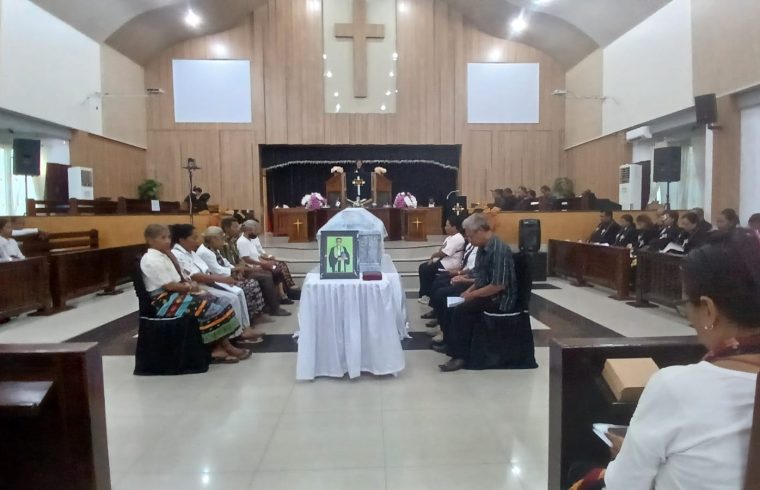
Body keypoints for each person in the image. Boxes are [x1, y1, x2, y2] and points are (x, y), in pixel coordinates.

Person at [591, 229, 760, 490]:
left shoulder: (679, 387)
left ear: (709, 310)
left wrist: (629, 453)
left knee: (583, 472)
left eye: (686, 304)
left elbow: (624, 484)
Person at [139, 224, 247, 364]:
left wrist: (189, 285)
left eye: (169, 237)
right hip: (165, 300)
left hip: (177, 293)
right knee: (208, 306)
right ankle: (217, 348)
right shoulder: (151, 259)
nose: (167, 241)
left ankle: (223, 345)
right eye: (163, 238)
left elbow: (180, 277)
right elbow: (169, 285)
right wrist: (190, 287)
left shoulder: (165, 255)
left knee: (220, 301)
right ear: (150, 240)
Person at [433, 213, 518, 372]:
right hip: (487, 292)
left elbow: (498, 285)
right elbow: (480, 277)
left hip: (500, 298)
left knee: (461, 310)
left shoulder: (498, 249)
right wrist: (468, 291)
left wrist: (471, 295)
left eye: (470, 236)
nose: (469, 240)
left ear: (480, 231)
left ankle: (460, 356)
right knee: (453, 301)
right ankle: (451, 344)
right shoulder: (482, 247)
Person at [171, 224, 257, 354]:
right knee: (230, 298)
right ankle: (231, 337)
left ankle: (243, 330)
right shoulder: (178, 254)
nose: (197, 241)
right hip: (198, 285)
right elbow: (195, 276)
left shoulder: (191, 252)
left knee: (237, 293)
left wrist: (225, 279)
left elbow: (207, 270)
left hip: (208, 281)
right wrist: (223, 280)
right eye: (194, 238)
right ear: (182, 240)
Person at [197, 226, 267, 342]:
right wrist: (235, 270)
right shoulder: (204, 252)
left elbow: (225, 263)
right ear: (214, 239)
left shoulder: (213, 249)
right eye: (221, 238)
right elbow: (217, 270)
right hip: (217, 280)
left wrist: (235, 269)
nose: (223, 241)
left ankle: (246, 326)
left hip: (225, 277)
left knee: (243, 289)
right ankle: (239, 330)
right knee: (240, 291)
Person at [219, 217, 290, 317]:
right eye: (235, 226)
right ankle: (274, 308)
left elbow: (241, 259)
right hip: (240, 271)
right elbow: (239, 261)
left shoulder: (233, 242)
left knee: (274, 269)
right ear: (227, 228)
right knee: (266, 276)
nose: (238, 228)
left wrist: (265, 261)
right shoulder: (229, 244)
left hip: (244, 268)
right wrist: (256, 267)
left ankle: (277, 300)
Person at [423, 240, 479, 339]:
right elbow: (472, 270)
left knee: (442, 293)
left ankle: (444, 331)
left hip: (473, 285)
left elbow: (481, 279)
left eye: (471, 236)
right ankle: (440, 322)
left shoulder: (485, 251)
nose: (468, 238)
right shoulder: (473, 246)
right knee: (438, 283)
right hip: (468, 278)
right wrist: (460, 275)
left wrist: (463, 279)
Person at [237, 219, 300, 301]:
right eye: (255, 231)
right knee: (276, 269)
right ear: (249, 231)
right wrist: (263, 264)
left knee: (277, 267)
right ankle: (282, 295)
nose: (257, 233)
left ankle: (284, 293)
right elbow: (246, 259)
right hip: (253, 267)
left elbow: (258, 254)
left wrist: (268, 259)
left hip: (259, 263)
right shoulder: (242, 242)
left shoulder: (250, 240)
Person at [417, 217, 465, 305]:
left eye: (447, 225)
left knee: (426, 269)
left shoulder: (458, 238)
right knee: (424, 267)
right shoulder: (449, 237)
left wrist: (433, 256)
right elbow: (442, 249)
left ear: (454, 227)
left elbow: (444, 253)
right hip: (444, 261)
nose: (445, 227)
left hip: (451, 263)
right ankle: (425, 294)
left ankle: (427, 295)